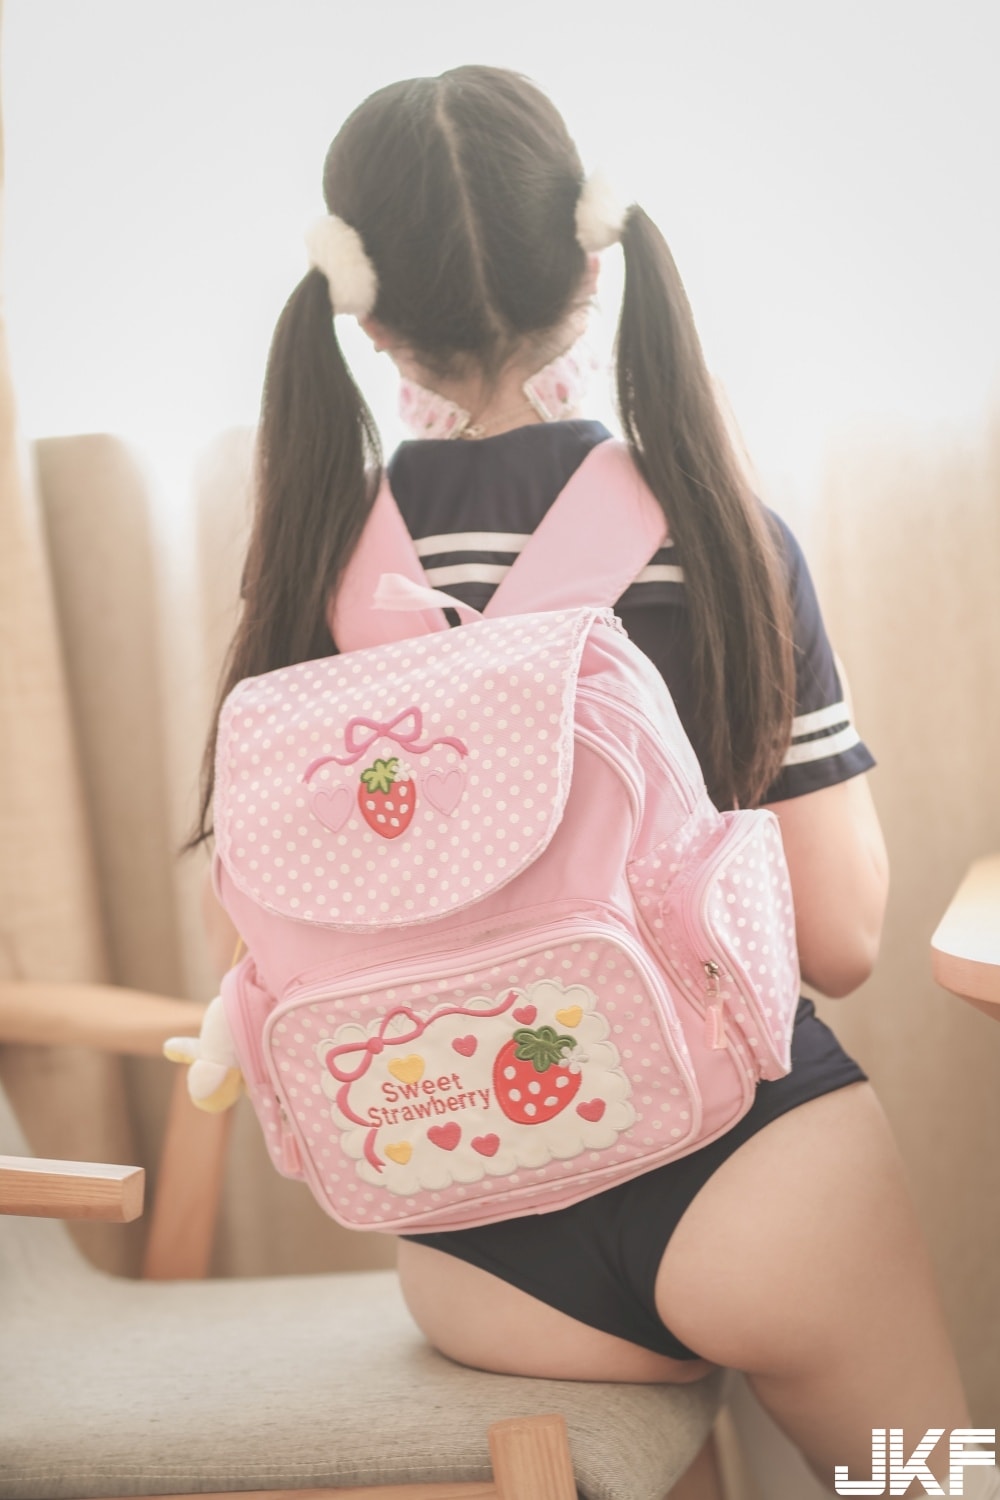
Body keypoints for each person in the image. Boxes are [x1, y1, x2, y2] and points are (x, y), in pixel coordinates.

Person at [193, 66, 992, 1498]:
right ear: (588, 268)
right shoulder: (721, 532)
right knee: (934, 1485)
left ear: (362, 313)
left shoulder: (310, 566)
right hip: (755, 1184)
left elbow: (254, 941)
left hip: (475, 1229)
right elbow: (840, 940)